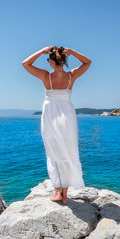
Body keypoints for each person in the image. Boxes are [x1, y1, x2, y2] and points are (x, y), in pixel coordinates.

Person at [22, 46, 92, 204]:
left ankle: (57, 191)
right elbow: (87, 62)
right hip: (67, 116)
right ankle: (65, 194)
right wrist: (73, 51)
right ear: (64, 60)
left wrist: (41, 51)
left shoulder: (46, 76)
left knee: (53, 152)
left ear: (52, 61)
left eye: (48, 60)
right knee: (67, 151)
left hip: (50, 116)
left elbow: (25, 63)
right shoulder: (71, 76)